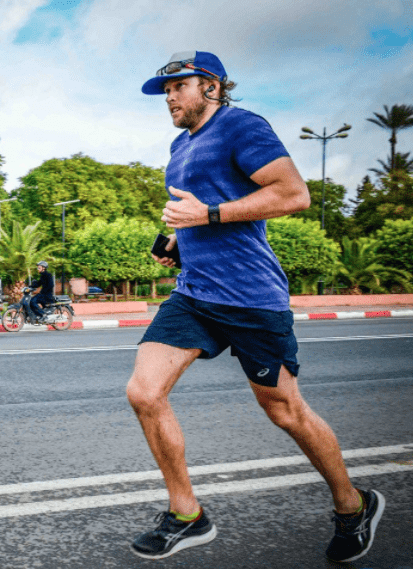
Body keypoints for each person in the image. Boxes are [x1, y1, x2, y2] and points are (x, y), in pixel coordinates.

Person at [126, 51, 383, 562]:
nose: (170, 98)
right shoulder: (180, 146)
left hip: (250, 297)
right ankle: (186, 514)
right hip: (195, 294)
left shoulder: (243, 127)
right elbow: (202, 216)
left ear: (212, 87)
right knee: (144, 391)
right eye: (166, 90)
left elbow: (293, 194)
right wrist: (180, 242)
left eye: (179, 86)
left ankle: (352, 506)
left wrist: (210, 214)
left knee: (285, 410)